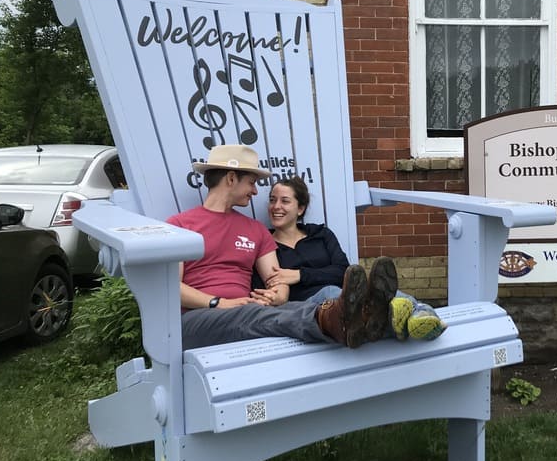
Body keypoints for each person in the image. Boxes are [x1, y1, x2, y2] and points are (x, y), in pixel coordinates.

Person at [166, 144, 394, 350]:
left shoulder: (255, 230)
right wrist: (218, 303)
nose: (255, 191)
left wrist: (276, 296)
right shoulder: (179, 226)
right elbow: (170, 287)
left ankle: (367, 318)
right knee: (256, 314)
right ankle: (335, 320)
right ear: (232, 178)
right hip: (197, 320)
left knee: (282, 310)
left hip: (250, 313)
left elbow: (277, 281)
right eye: (252, 182)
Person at [264, 175, 446, 341]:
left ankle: (423, 314)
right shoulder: (265, 245)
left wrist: (300, 275)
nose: (276, 206)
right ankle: (399, 320)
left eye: (284, 201)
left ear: (300, 208)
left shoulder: (320, 234)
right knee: (333, 293)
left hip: (349, 293)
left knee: (371, 290)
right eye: (272, 200)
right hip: (314, 308)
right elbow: (267, 287)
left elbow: (343, 270)